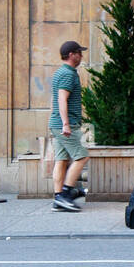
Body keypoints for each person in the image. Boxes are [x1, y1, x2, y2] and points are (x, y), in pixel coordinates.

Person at [49, 40, 89, 212]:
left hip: (57, 124)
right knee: (82, 156)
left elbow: (55, 100)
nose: (81, 56)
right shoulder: (68, 74)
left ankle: (58, 198)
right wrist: (66, 124)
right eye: (79, 53)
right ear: (72, 55)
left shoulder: (60, 72)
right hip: (67, 125)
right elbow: (61, 99)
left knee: (61, 160)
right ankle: (66, 193)